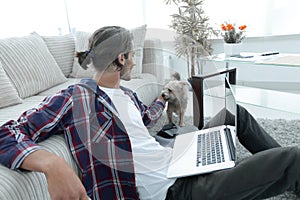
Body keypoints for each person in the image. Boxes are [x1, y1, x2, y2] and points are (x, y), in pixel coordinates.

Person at [0, 26, 300, 200]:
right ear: (121, 57)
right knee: (293, 158)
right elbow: (8, 133)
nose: (134, 62)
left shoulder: (125, 94)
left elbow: (142, 120)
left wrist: (162, 97)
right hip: (175, 190)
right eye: (133, 56)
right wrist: (53, 165)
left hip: (178, 158)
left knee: (237, 115)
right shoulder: (76, 95)